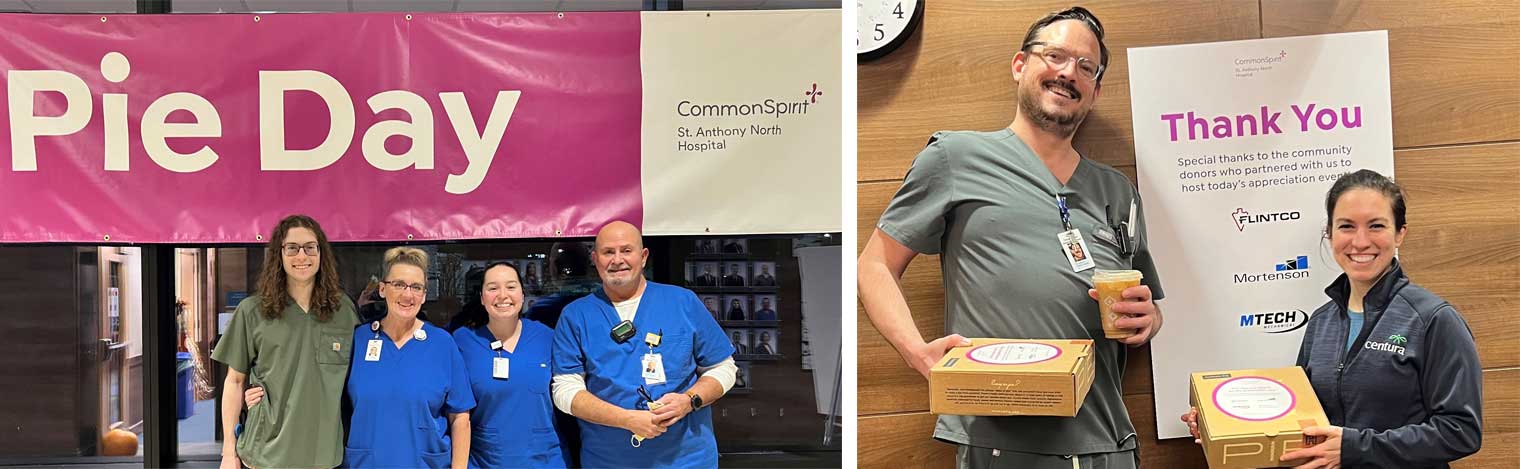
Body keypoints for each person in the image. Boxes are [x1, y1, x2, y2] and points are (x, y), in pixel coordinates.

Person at [857, 7, 1164, 468]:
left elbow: (1150, 308)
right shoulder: (954, 158)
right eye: (1055, 55)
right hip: (1002, 442)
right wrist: (918, 353)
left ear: (1096, 91)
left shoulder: (1117, 191)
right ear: (1020, 65)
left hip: (1108, 441)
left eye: (1086, 67)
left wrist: (1149, 320)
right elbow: (873, 265)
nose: (1068, 73)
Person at [1182, 170, 1482, 468]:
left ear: (1400, 232)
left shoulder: (1433, 319)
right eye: (1347, 226)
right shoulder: (1321, 323)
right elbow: (1297, 417)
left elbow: (1461, 431)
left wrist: (1356, 448)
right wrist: (1219, 426)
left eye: (1376, 225)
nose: (1360, 241)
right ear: (1330, 233)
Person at [551, 221, 737, 468]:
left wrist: (689, 401)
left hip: (686, 459)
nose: (617, 260)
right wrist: (626, 419)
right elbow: (565, 391)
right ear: (595, 259)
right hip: (609, 460)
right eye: (608, 252)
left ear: (643, 256)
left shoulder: (682, 302)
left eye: (626, 250)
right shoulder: (576, 316)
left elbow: (724, 368)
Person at [212, 215, 358, 469]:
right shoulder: (252, 311)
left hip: (323, 455)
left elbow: (357, 379)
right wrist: (228, 451)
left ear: (321, 252)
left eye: (310, 247)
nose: (302, 256)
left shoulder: (343, 310)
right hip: (266, 455)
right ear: (279, 254)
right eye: (292, 248)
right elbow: (234, 381)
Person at [344, 247, 474, 468]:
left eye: (416, 287)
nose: (407, 295)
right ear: (383, 289)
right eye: (399, 285)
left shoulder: (442, 344)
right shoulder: (359, 339)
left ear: (424, 295)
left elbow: (460, 417)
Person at [446, 262, 568, 468]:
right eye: (493, 288)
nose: (503, 295)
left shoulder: (548, 338)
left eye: (511, 287)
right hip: (485, 461)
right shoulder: (463, 341)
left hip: (544, 459)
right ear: (482, 297)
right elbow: (454, 410)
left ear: (522, 294)